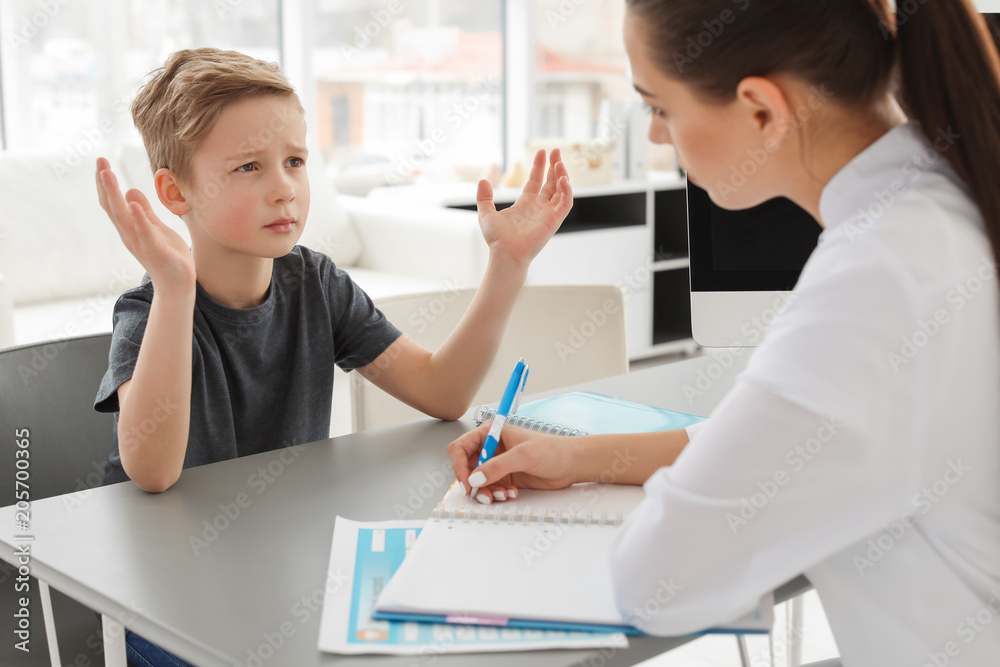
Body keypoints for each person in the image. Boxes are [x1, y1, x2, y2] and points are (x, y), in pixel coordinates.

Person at [447, 1, 1000, 664]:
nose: (656, 136)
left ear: (760, 110)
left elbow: (656, 581)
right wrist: (575, 456)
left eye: (659, 106)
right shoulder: (938, 206)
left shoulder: (877, 282)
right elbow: (793, 444)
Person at [92, 48, 570, 666]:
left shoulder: (315, 284)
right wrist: (175, 285)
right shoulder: (146, 313)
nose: (283, 188)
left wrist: (507, 264)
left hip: (283, 571)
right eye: (248, 167)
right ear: (173, 192)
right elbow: (153, 472)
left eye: (294, 161)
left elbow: (443, 392)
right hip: (168, 601)